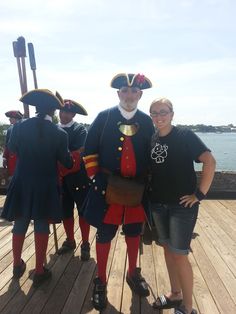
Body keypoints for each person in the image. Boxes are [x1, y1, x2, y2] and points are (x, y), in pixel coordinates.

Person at [82, 73, 155, 311]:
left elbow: (154, 155)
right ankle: (101, 280)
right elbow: (89, 151)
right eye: (125, 90)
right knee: (104, 235)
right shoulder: (103, 118)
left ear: (140, 95)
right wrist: (96, 179)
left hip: (136, 191)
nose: (129, 95)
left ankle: (132, 273)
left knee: (134, 233)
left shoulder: (147, 121)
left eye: (134, 91)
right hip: (107, 190)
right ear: (118, 94)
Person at [149, 98, 216, 314]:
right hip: (158, 204)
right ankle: (175, 294)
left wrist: (199, 194)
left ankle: (188, 308)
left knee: (180, 254)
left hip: (181, 207)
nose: (159, 116)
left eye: (163, 112)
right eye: (154, 113)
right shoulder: (153, 139)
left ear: (172, 113)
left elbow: (209, 161)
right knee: (168, 251)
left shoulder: (185, 136)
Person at [1, 89, 74, 288]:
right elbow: (66, 162)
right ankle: (40, 270)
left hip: (22, 182)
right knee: (41, 224)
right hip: (45, 184)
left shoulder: (18, 128)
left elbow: (13, 149)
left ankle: (17, 265)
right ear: (54, 110)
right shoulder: (60, 133)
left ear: (35, 107)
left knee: (20, 223)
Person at [57, 99, 91, 260]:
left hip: (78, 178)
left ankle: (85, 243)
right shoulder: (54, 129)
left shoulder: (80, 130)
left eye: (68, 112)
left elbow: (78, 154)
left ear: (73, 114)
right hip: (61, 178)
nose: (63, 114)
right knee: (65, 211)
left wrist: (59, 166)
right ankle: (70, 240)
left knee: (83, 211)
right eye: (62, 111)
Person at [3, 110, 23, 176]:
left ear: (16, 119)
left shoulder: (23, 128)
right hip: (12, 159)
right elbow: (7, 145)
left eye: (11, 118)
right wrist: (5, 158)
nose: (9, 119)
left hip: (21, 159)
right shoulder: (9, 129)